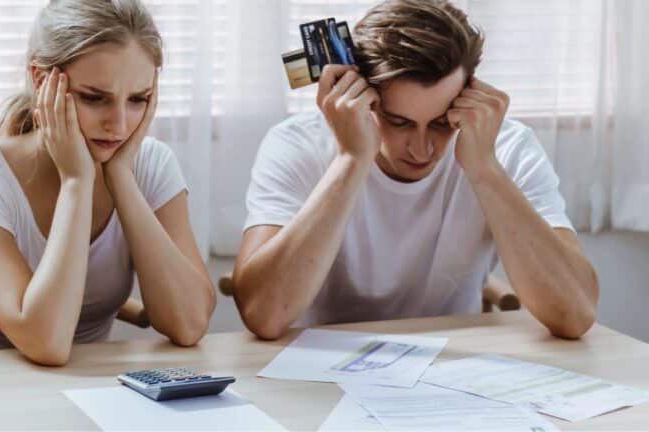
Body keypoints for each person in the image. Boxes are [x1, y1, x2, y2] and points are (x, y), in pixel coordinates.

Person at [232, 0, 599, 340]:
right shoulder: (297, 144)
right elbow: (264, 315)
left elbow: (576, 314)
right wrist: (351, 159)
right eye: (398, 122)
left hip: (451, 367)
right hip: (320, 369)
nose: (422, 149)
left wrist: (485, 168)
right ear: (361, 98)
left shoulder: (506, 145)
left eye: (441, 123)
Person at [0, 0, 215, 365]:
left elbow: (189, 324)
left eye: (137, 100)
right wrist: (77, 181)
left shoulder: (151, 164)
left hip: (91, 398)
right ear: (40, 80)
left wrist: (121, 177)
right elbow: (45, 342)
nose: (119, 124)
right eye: (95, 98)